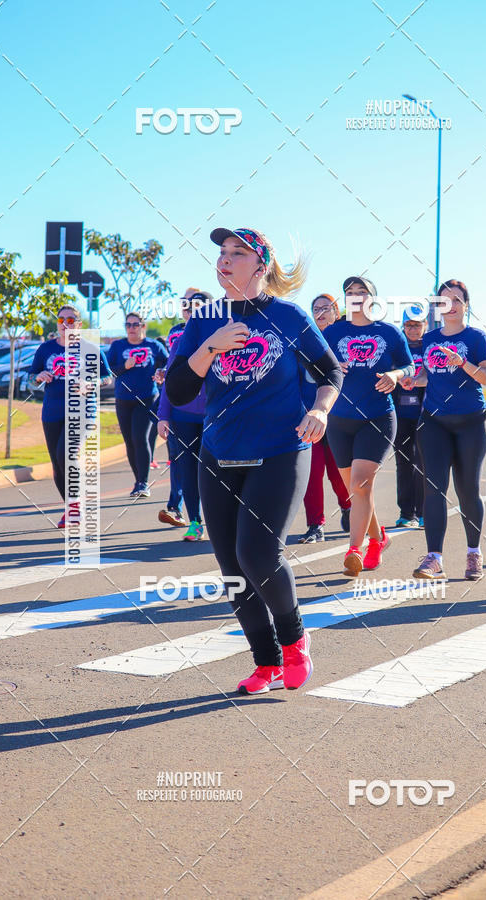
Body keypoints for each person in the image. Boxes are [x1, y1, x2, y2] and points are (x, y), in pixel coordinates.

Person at [165, 226, 342, 695]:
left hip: (281, 450)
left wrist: (320, 409)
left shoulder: (287, 315)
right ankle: (265, 664)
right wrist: (211, 346)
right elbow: (180, 391)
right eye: (221, 253)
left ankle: (295, 640)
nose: (224, 260)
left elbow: (330, 371)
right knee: (232, 570)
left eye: (237, 253)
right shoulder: (204, 320)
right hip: (219, 453)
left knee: (259, 553)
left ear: (260, 266)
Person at [323, 276, 414, 576]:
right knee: (356, 491)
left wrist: (397, 376)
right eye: (349, 292)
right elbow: (314, 364)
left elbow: (409, 365)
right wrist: (333, 365)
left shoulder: (388, 332)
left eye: (362, 292)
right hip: (339, 418)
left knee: (361, 484)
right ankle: (380, 538)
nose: (355, 296)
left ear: (373, 298)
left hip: (378, 417)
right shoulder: (334, 331)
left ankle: (354, 550)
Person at [401, 279, 486, 581]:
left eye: (457, 299)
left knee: (467, 491)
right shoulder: (429, 338)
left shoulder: (477, 338)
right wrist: (412, 379)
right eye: (444, 300)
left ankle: (474, 553)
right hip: (434, 421)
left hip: (470, 423)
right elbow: (429, 375)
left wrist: (463, 362)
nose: (450, 305)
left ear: (466, 305)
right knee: (433, 488)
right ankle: (434, 557)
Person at [28, 304, 112, 528]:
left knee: (66, 453)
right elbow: (30, 377)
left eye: (71, 320)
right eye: (61, 320)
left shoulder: (91, 349)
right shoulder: (45, 349)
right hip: (52, 411)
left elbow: (107, 378)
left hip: (82, 410)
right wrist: (39, 377)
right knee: (57, 464)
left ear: (79, 324)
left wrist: (90, 383)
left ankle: (75, 507)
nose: (65, 324)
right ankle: (71, 507)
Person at [157, 287, 213, 540]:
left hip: (216, 417)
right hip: (183, 417)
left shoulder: (226, 339)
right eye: (190, 308)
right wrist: (163, 416)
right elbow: (171, 381)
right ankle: (195, 523)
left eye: (200, 309)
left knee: (216, 471)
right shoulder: (180, 343)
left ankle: (223, 522)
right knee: (188, 471)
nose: (193, 313)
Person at [298, 293, 351, 543]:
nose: (320, 313)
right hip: (310, 415)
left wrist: (339, 369)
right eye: (315, 308)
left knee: (338, 471)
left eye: (326, 308)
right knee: (312, 471)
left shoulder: (346, 338)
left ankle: (348, 505)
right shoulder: (305, 340)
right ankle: (315, 524)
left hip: (341, 416)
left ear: (336, 312)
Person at [106, 312, 168, 498]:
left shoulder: (153, 346)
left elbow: (169, 364)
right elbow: (108, 372)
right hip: (123, 399)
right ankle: (137, 481)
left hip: (147, 399)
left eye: (136, 324)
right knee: (130, 442)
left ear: (143, 327)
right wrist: (125, 366)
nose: (132, 328)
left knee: (140, 438)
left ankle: (143, 482)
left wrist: (160, 372)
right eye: (128, 325)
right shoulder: (118, 346)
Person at [393, 305, 427, 528]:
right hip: (400, 414)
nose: (413, 329)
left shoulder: (430, 347)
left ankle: (424, 511)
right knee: (404, 463)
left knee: (424, 463)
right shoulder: (397, 347)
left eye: (417, 325)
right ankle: (407, 513)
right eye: (409, 325)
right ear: (403, 326)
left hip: (425, 415)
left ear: (425, 325)